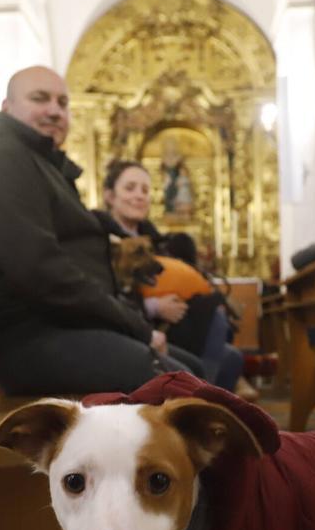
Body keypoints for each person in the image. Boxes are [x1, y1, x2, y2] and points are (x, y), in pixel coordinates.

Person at [0, 66, 201, 395]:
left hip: (62, 328)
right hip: (28, 341)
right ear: (6, 107)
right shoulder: (0, 158)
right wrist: (136, 326)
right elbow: (41, 272)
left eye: (63, 102)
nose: (55, 110)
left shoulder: (37, 162)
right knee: (188, 391)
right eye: (40, 98)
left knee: (194, 372)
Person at [92, 160, 242, 393]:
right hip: (137, 325)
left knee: (232, 357)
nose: (139, 196)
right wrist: (153, 306)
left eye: (145, 190)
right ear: (110, 196)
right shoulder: (99, 236)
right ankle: (199, 402)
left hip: (174, 322)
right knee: (218, 329)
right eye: (130, 188)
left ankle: (207, 405)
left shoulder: (156, 239)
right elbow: (104, 292)